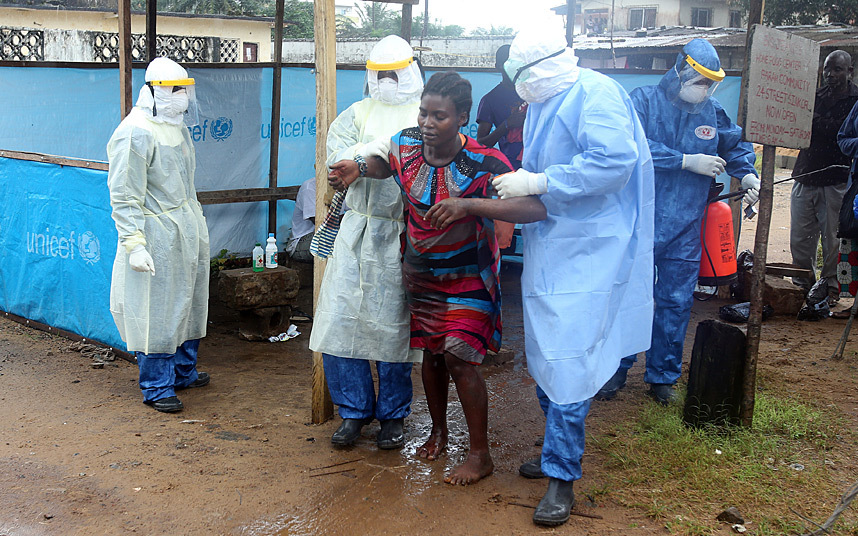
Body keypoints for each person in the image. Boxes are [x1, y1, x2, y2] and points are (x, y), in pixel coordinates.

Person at [329, 71, 546, 485]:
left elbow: (533, 209)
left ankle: (480, 454)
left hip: (469, 276)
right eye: (424, 113)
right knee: (430, 356)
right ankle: (438, 431)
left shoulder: (486, 162)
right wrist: (360, 168)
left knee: (458, 359)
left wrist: (470, 206)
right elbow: (384, 164)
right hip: (422, 275)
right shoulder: (406, 144)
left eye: (440, 116)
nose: (428, 123)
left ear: (463, 117)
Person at [493, 29, 655, 526]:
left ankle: (563, 475)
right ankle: (553, 450)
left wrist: (541, 181)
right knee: (546, 350)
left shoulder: (596, 93)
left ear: (538, 71)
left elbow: (614, 163)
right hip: (554, 241)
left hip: (592, 247)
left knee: (570, 358)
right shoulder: (549, 98)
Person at [595, 38, 760, 405]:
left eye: (709, 83)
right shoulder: (642, 101)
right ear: (680, 69)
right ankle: (616, 369)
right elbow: (630, 146)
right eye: (699, 80)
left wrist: (747, 174)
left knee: (676, 300)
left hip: (687, 224)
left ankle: (662, 376)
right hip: (641, 221)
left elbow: (734, 145)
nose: (704, 89)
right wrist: (684, 160)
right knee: (628, 295)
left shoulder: (711, 111)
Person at [308, 35, 424, 450]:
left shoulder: (424, 115)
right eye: (379, 74)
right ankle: (353, 412)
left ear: (410, 71)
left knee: (394, 329)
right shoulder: (355, 113)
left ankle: (393, 416)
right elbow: (337, 164)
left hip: (399, 232)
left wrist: (366, 159)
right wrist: (365, 159)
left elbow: (407, 163)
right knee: (342, 323)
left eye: (394, 73)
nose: (386, 81)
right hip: (356, 231)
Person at [106, 57, 210, 414]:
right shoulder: (134, 132)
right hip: (156, 235)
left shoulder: (177, 128)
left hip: (185, 228)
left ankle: (183, 370)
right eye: (173, 91)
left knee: (189, 302)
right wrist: (133, 244)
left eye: (184, 90)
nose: (181, 98)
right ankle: (157, 385)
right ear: (151, 92)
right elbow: (124, 194)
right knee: (157, 310)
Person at [791, 50, 858, 303]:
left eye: (837, 69)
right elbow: (800, 124)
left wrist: (816, 123)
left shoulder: (856, 99)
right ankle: (801, 286)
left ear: (849, 71)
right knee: (800, 237)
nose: (830, 74)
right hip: (804, 173)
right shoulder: (813, 95)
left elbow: (840, 135)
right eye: (827, 69)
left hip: (836, 179)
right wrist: (822, 124)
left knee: (832, 240)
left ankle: (829, 290)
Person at [476, 45, 527, 171]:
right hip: (510, 167)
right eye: (508, 63)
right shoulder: (490, 100)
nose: (514, 68)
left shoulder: (534, 91)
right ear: (498, 66)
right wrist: (506, 125)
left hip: (538, 164)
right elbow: (481, 143)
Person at [285, 177, 316, 263]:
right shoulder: (309, 187)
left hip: (318, 237)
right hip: (301, 242)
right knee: (335, 240)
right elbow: (320, 222)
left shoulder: (343, 187)